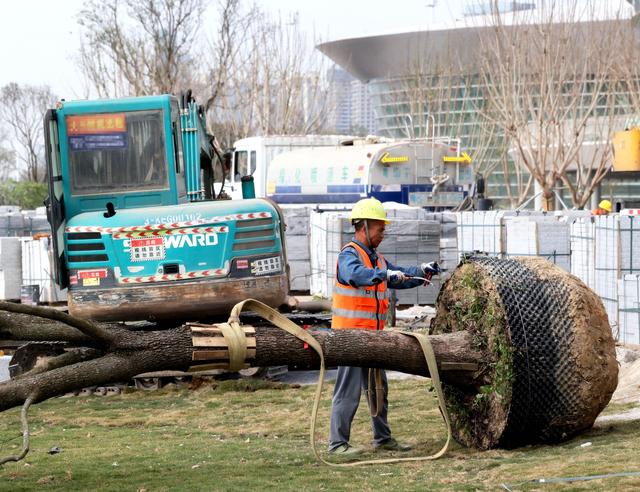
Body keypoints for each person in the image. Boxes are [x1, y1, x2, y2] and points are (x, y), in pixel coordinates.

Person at [328, 197, 440, 456]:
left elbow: (398, 275)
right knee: (348, 391)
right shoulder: (349, 256)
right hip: (350, 338)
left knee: (378, 388)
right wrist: (384, 275)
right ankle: (337, 444)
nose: (383, 233)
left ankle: (383, 438)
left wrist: (421, 271)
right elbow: (356, 275)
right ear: (364, 226)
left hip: (372, 337)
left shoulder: (377, 259)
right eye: (380, 228)